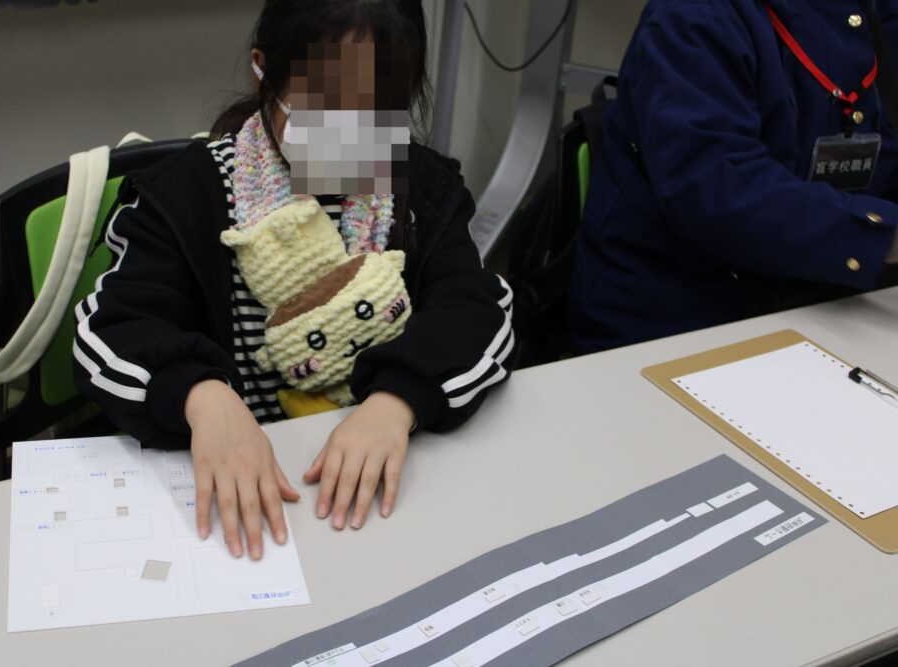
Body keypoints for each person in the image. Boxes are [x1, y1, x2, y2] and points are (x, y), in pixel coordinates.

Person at [72, 0, 514, 561]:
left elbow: (477, 313)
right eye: (326, 103)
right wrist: (203, 397)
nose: (350, 131)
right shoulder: (186, 197)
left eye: (378, 107)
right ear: (265, 70)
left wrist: (398, 399)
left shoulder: (422, 190)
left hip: (373, 489)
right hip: (238, 488)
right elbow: (112, 333)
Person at [568, 0, 898, 354]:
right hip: (684, 319)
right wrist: (878, 233)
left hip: (828, 301)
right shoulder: (693, 15)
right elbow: (715, 189)